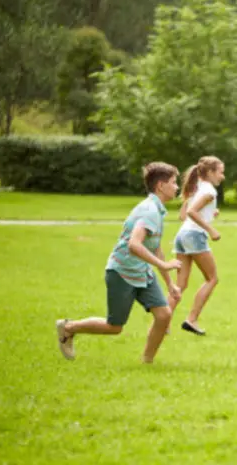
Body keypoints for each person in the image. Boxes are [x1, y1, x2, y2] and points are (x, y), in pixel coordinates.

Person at [56, 162, 182, 364]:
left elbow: (156, 248)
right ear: (160, 186)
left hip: (141, 272)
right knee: (114, 327)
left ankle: (147, 362)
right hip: (122, 272)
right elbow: (134, 244)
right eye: (174, 182)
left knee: (164, 314)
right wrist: (165, 266)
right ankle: (69, 328)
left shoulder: (158, 210)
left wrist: (169, 283)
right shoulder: (149, 210)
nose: (177, 187)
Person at [170, 156, 225, 336]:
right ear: (210, 172)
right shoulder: (209, 191)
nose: (222, 177)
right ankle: (191, 320)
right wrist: (211, 229)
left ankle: (162, 321)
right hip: (194, 236)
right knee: (212, 278)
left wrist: (209, 214)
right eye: (220, 172)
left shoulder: (197, 188)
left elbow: (183, 215)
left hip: (182, 235)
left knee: (180, 284)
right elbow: (192, 212)